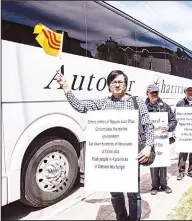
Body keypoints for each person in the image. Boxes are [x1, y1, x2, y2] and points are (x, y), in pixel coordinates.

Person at [56, 69, 155, 221]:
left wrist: (148, 146)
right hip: (111, 157)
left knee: (133, 194)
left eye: (120, 82)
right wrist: (65, 88)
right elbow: (80, 107)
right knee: (115, 194)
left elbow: (148, 125)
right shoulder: (103, 103)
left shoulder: (137, 102)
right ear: (109, 86)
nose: (117, 85)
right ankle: (121, 218)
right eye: (113, 82)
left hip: (131, 157)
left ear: (126, 85)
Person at [145, 84, 177, 195]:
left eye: (156, 92)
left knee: (162, 163)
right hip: (150, 141)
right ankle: (154, 186)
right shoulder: (143, 107)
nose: (154, 94)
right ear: (147, 94)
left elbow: (173, 121)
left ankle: (164, 185)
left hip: (162, 140)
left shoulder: (165, 107)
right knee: (153, 163)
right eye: (152, 93)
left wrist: (169, 127)